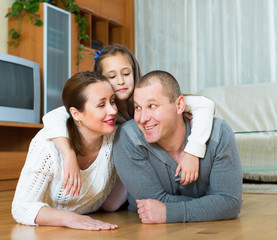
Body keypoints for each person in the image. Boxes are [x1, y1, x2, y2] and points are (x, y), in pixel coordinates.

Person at [42, 44, 215, 197]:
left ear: (135, 72)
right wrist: (69, 154)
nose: (121, 81)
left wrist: (193, 152)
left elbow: (205, 104)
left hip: (159, 165)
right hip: (126, 169)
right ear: (100, 79)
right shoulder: (98, 109)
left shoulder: (150, 95)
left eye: (126, 73)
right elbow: (52, 117)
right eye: (112, 76)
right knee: (111, 206)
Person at [113, 70, 242, 223]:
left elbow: (229, 203)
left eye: (152, 106)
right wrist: (213, 205)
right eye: (138, 107)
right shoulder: (128, 137)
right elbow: (151, 205)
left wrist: (170, 211)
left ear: (180, 105)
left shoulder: (219, 133)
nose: (142, 118)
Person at [12, 72, 127, 230]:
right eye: (101, 105)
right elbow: (21, 207)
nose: (113, 110)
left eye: (112, 101)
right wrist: (69, 219)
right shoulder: (47, 145)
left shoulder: (117, 137)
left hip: (103, 216)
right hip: (52, 229)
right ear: (75, 114)